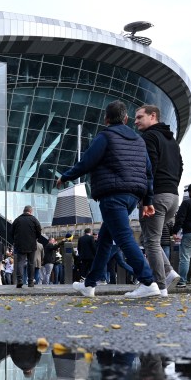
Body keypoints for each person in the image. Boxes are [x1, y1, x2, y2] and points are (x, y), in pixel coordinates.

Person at [57, 100, 160, 299]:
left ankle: (148, 281)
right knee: (105, 239)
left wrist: (65, 176)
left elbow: (87, 162)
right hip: (133, 197)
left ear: (106, 119)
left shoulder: (105, 136)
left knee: (124, 238)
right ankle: (89, 285)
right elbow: (148, 173)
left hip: (113, 196)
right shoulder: (139, 141)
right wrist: (148, 200)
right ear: (126, 119)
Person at [134, 104, 183, 294]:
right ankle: (169, 272)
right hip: (173, 196)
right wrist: (172, 185)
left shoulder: (149, 137)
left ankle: (158, 286)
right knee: (150, 238)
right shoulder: (172, 141)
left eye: (139, 117)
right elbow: (180, 167)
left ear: (152, 116)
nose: (136, 121)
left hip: (157, 195)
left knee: (151, 242)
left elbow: (149, 168)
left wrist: (147, 197)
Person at [11, 205, 42, 288]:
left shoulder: (17, 220)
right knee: (31, 263)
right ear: (30, 211)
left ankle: (20, 280)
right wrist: (35, 238)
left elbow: (11, 232)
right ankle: (30, 282)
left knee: (20, 262)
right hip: (32, 244)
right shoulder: (34, 220)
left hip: (20, 245)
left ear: (24, 211)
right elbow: (39, 231)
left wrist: (16, 240)